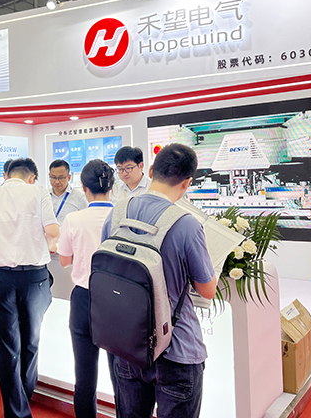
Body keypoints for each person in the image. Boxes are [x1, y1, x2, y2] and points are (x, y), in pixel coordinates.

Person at [101, 143, 217, 418]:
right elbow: (207, 290)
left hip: (128, 344)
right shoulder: (187, 224)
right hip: (177, 349)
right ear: (187, 183)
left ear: (151, 170)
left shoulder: (118, 213)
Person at [0, 158, 59, 418]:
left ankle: (16, 411)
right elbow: (53, 231)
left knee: (7, 346)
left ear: (6, 175)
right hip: (34, 277)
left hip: (0, 277)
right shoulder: (38, 192)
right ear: (31, 177)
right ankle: (24, 395)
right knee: (31, 341)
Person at [58, 160, 115, 418]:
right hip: (118, 300)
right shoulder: (122, 217)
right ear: (111, 186)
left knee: (84, 376)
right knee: (121, 375)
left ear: (83, 187)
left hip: (84, 298)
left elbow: (64, 260)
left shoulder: (74, 219)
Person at [48, 159, 88, 225]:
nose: (57, 181)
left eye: (61, 178)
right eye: (54, 177)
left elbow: (85, 221)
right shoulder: (45, 196)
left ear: (69, 177)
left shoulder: (79, 197)